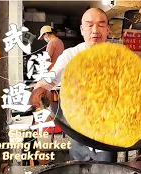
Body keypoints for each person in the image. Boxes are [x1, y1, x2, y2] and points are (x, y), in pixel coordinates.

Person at [29, 8, 117, 162]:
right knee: (77, 172)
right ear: (82, 30)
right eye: (89, 25)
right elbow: (48, 80)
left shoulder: (120, 58)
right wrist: (40, 89)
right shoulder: (71, 55)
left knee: (106, 172)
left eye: (101, 25)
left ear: (108, 29)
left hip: (107, 134)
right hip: (77, 132)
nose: (95, 31)